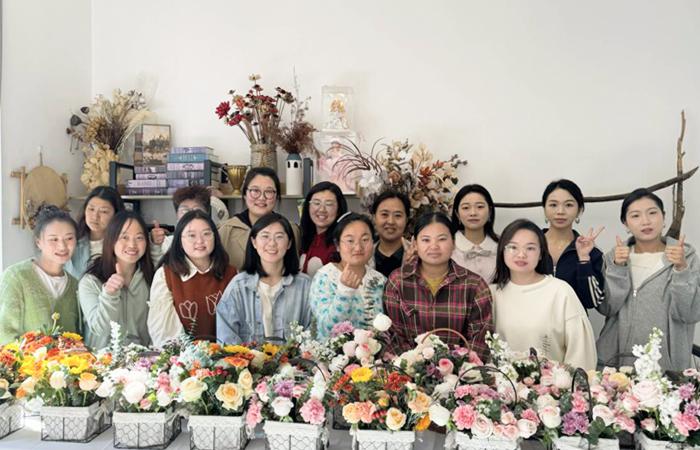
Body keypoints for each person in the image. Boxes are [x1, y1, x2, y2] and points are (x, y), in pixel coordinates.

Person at [597, 188, 700, 371]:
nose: (645, 221)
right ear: (625, 223)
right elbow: (606, 308)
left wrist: (681, 269)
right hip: (616, 366)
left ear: (663, 217)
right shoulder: (614, 257)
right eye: (635, 216)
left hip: (665, 369)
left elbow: (690, 313)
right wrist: (618, 268)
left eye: (652, 213)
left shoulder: (686, 256)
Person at [383, 212, 493, 359]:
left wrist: (457, 368)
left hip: (462, 370)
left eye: (442, 239)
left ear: (453, 243)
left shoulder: (474, 285)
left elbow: (480, 343)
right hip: (407, 368)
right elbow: (393, 337)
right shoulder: (398, 281)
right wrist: (414, 366)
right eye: (426, 240)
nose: (434, 246)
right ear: (415, 244)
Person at [491, 219, 597, 370]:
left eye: (530, 248)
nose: (521, 254)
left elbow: (581, 353)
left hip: (551, 383)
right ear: (502, 251)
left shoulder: (560, 291)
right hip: (499, 382)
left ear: (541, 253)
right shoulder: (491, 294)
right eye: (513, 247)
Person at [217, 213, 312, 344]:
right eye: (265, 236)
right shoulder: (238, 286)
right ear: (254, 242)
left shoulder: (305, 285)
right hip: (246, 357)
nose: (272, 243)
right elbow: (226, 336)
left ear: (289, 243)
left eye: (279, 237)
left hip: (295, 358)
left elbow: (313, 333)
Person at [148, 210, 237, 347]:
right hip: (181, 356)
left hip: (225, 355)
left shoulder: (231, 273)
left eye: (206, 234)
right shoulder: (165, 275)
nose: (200, 241)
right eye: (191, 235)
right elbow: (163, 332)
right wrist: (190, 357)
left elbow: (238, 324)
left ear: (215, 237)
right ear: (179, 240)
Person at [0, 206, 81, 343]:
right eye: (53, 239)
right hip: (22, 357)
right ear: (39, 242)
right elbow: (4, 334)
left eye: (69, 238)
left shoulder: (75, 285)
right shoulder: (16, 277)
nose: (62, 246)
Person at [78, 210, 154, 350]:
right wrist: (109, 295)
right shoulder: (90, 281)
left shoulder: (151, 278)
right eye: (124, 237)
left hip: (143, 360)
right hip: (102, 360)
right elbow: (99, 329)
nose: (132, 244)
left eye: (139, 237)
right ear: (111, 240)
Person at [310, 213, 386, 341]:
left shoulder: (379, 280)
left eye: (365, 240)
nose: (358, 247)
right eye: (350, 241)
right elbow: (326, 329)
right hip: (331, 353)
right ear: (337, 245)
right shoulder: (324, 278)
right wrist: (344, 292)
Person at [218, 167, 301, 270]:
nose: (262, 198)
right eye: (255, 190)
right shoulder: (226, 231)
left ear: (277, 196)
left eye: (269, 191)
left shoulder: (290, 230)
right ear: (245, 194)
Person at [541, 179, 605, 309]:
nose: (560, 211)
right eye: (553, 205)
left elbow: (592, 302)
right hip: (532, 320)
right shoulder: (529, 246)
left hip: (572, 321)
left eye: (569, 205)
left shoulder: (592, 253)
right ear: (544, 209)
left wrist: (584, 260)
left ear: (579, 210)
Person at [65, 186, 125, 279]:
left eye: (104, 211)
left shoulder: (123, 244)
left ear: (116, 214)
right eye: (91, 209)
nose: (95, 217)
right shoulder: (72, 241)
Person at [450, 184, 499, 283]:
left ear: (490, 211)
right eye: (466, 208)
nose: (473, 213)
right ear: (457, 214)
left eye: (480, 207)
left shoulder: (501, 246)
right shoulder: (448, 246)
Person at [150, 185, 212, 259]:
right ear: (177, 215)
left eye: (197, 210)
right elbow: (157, 263)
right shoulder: (167, 243)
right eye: (185, 211)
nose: (190, 215)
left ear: (207, 214)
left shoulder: (212, 240)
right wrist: (156, 246)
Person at [299, 181, 347, 277]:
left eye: (329, 204)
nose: (321, 209)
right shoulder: (304, 237)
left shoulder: (342, 244)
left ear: (339, 209)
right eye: (316, 203)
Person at [370, 190, 412, 278]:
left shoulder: (418, 256)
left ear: (406, 220)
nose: (391, 221)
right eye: (384, 214)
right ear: (374, 218)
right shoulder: (363, 256)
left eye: (398, 215)